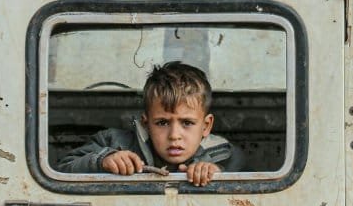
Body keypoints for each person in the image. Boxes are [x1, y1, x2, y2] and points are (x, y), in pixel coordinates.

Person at [56, 61, 240, 186]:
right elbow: (63, 169)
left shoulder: (222, 153)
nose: (174, 135)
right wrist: (102, 160)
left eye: (187, 123)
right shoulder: (113, 142)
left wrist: (217, 173)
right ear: (145, 124)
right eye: (162, 122)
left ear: (206, 126)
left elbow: (250, 176)